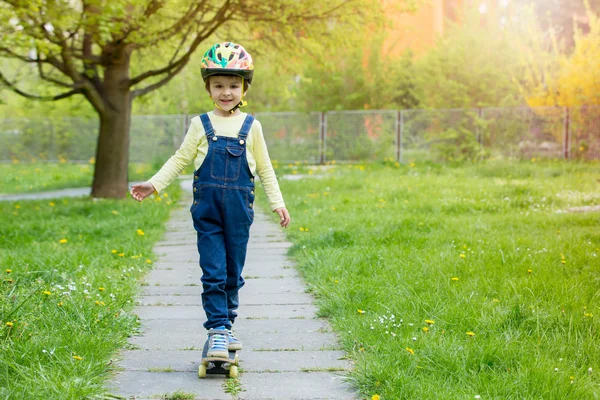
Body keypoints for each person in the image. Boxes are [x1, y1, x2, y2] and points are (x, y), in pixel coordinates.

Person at [130, 42, 291, 358]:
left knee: (233, 273)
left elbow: (266, 167)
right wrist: (154, 184)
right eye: (219, 85)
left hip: (239, 215)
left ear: (243, 87)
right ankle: (216, 329)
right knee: (214, 271)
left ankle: (227, 326)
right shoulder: (200, 124)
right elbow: (180, 159)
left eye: (233, 85)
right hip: (208, 213)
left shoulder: (252, 127)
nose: (226, 92)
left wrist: (278, 202)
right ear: (208, 88)